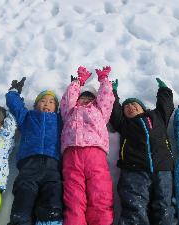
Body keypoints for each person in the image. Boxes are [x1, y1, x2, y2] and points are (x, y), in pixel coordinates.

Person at [109, 78, 176, 225]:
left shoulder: (157, 117)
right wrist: (112, 92)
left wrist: (164, 90)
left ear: (143, 108)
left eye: (134, 104)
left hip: (162, 168)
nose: (131, 107)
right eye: (126, 107)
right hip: (134, 170)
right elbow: (113, 111)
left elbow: (166, 106)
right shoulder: (124, 123)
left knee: (164, 206)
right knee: (135, 206)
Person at [60, 66, 115, 225]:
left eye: (89, 98)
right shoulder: (70, 111)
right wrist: (78, 82)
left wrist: (104, 80)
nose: (85, 100)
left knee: (100, 193)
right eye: (82, 97)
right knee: (73, 197)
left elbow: (106, 98)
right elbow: (68, 98)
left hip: (95, 153)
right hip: (72, 154)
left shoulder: (99, 110)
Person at [6, 77, 63, 225]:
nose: (47, 104)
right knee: (23, 198)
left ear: (56, 107)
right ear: (36, 104)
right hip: (29, 165)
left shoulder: (59, 120)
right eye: (43, 100)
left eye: (51, 102)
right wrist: (13, 93)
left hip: (53, 165)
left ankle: (50, 221)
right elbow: (17, 108)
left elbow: (71, 111)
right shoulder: (28, 117)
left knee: (52, 200)